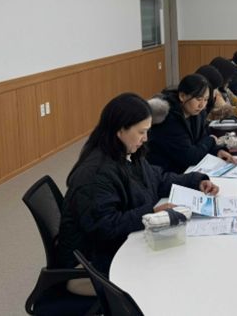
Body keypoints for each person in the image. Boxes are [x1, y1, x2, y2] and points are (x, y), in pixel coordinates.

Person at [57, 93, 219, 284]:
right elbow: (105, 226)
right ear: (120, 130)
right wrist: (151, 213)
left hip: (118, 245)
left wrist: (196, 181)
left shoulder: (128, 153)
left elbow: (157, 179)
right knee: (176, 274)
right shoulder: (96, 174)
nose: (145, 138)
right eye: (141, 132)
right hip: (91, 266)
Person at [147, 74, 237, 174]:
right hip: (165, 174)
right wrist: (211, 140)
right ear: (182, 96)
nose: (202, 105)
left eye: (206, 99)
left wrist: (217, 151)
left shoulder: (196, 113)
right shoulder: (169, 119)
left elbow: (202, 138)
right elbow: (190, 156)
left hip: (187, 170)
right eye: (198, 99)